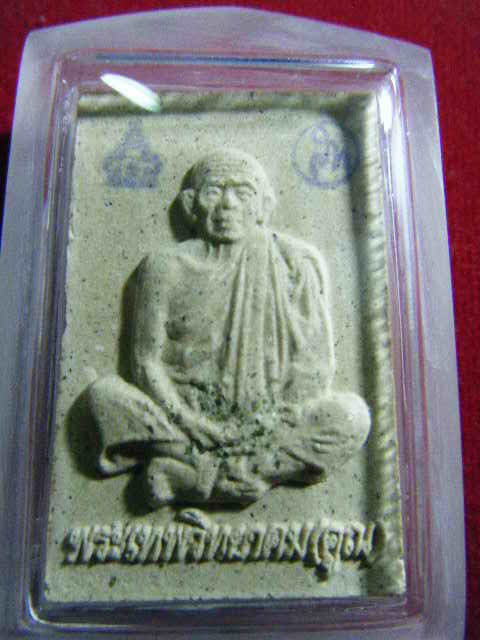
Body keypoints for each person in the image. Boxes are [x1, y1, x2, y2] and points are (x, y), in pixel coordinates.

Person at [88, 149, 370, 507]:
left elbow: (315, 367)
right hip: (183, 420)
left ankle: (200, 476)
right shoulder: (164, 267)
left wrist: (268, 423)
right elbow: (146, 363)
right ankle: (239, 474)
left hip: (270, 425)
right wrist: (190, 421)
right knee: (105, 396)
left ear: (263, 206)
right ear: (191, 205)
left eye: (243, 192)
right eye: (214, 192)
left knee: (351, 415)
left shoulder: (294, 262)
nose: (228, 205)